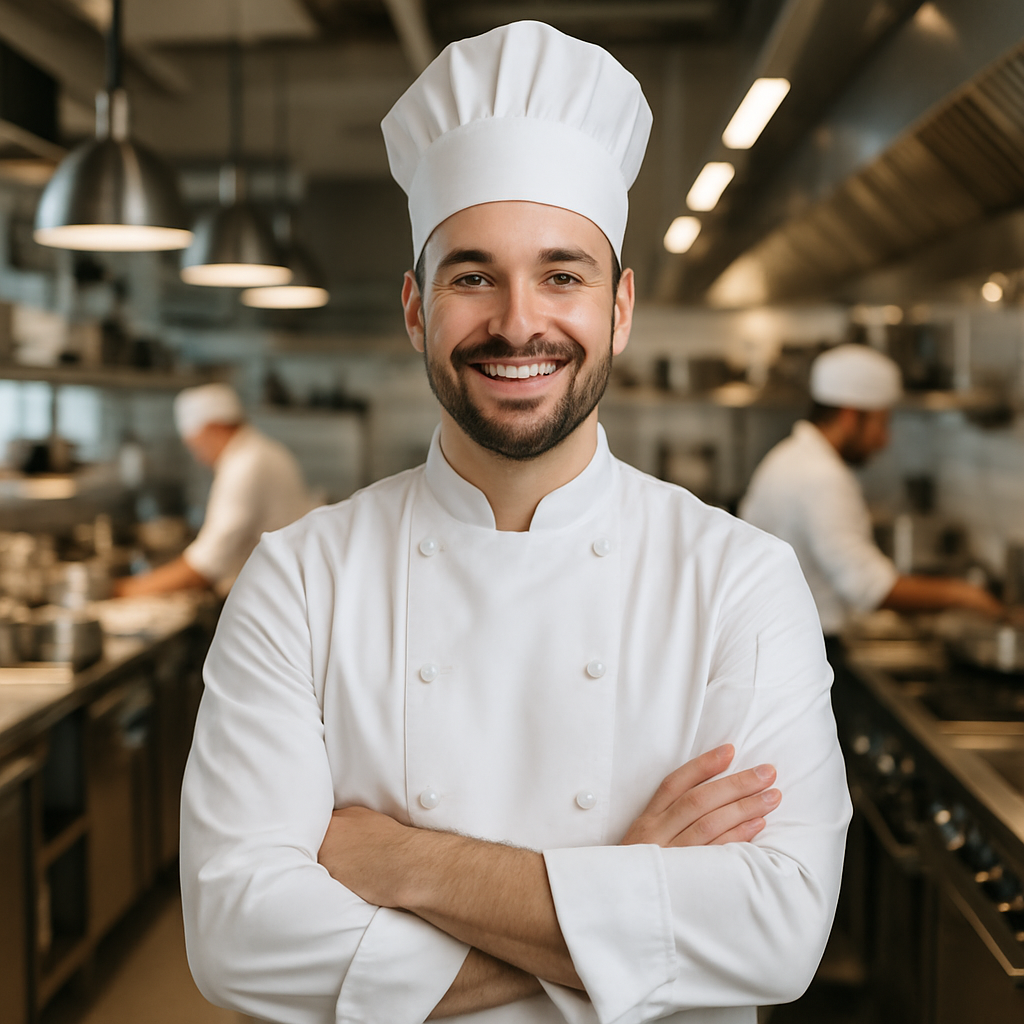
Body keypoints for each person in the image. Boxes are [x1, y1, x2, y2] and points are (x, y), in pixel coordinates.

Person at [180, 22, 851, 1024]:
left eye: (562, 274)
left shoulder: (737, 578)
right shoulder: (300, 578)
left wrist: (398, 859)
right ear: (416, 307)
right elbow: (236, 932)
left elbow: (778, 929)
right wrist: (631, 894)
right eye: (471, 274)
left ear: (620, 307)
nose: (518, 321)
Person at [740, 343, 1001, 641]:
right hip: (809, 643)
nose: (884, 439)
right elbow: (867, 586)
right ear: (851, 416)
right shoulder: (821, 478)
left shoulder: (790, 456)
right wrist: (962, 594)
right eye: (882, 422)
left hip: (782, 636)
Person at [114, 383, 314, 598]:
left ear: (213, 427)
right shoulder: (264, 450)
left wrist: (124, 590)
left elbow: (208, 563)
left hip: (270, 598)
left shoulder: (245, 464)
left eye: (195, 445)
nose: (199, 457)